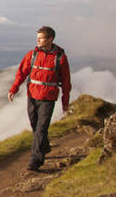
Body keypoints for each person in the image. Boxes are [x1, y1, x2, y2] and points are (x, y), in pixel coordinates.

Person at [8, 26, 71, 171]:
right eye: (37, 37)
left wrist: (65, 103)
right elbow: (21, 73)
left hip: (48, 97)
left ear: (50, 39)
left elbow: (66, 82)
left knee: (41, 128)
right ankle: (45, 146)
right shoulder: (32, 55)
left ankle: (36, 160)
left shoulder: (60, 58)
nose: (38, 40)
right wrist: (14, 89)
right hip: (32, 95)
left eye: (41, 38)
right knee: (35, 125)